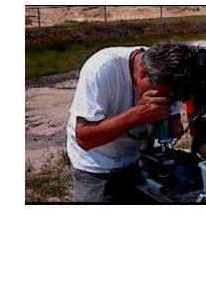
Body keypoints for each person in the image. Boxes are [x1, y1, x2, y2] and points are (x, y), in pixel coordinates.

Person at [66, 42, 197, 203]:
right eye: (159, 96)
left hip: (136, 159)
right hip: (97, 163)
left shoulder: (168, 72)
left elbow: (174, 122)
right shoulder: (101, 69)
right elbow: (85, 138)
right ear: (143, 72)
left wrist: (172, 126)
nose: (163, 100)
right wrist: (138, 114)